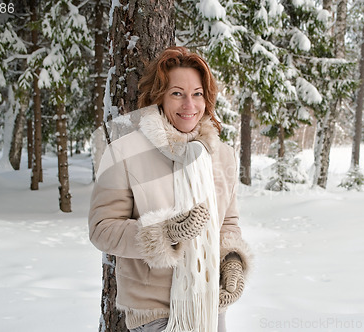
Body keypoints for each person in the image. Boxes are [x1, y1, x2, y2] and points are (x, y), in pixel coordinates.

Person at [89, 46, 251, 332]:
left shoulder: (221, 154)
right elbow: (102, 229)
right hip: (155, 313)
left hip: (210, 306)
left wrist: (233, 262)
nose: (189, 104)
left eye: (197, 94)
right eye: (177, 93)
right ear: (159, 97)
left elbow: (228, 223)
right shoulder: (123, 152)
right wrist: (163, 233)